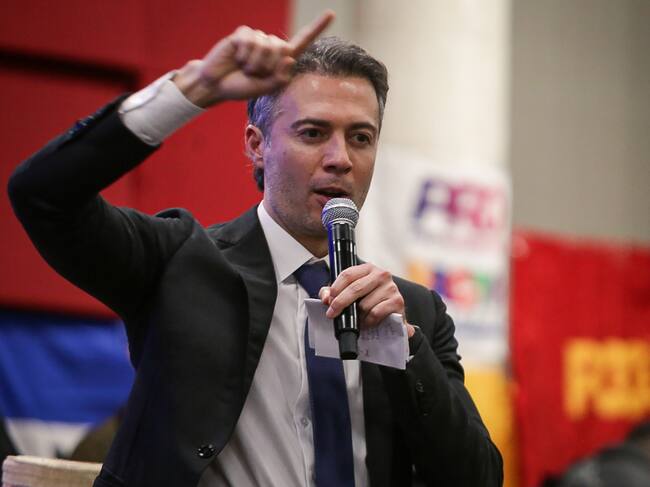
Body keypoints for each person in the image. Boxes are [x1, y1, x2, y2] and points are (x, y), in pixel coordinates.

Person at [8, 10, 503, 487]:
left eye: (360, 137)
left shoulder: (415, 313)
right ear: (256, 144)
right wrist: (193, 88)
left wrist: (404, 346)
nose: (340, 159)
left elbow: (479, 476)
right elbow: (44, 195)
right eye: (313, 133)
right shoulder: (182, 263)